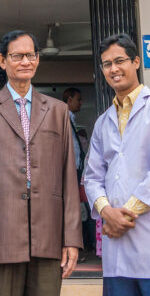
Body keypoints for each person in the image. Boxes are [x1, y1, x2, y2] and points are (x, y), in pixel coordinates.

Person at [0, 30, 82, 296]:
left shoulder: (57, 110)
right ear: (2, 60)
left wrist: (71, 238)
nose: (25, 61)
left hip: (49, 232)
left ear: (38, 59)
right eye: (17, 56)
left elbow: (68, 178)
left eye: (31, 55)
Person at [84, 33, 150, 296]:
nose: (114, 69)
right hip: (116, 259)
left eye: (120, 61)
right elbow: (92, 177)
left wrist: (122, 216)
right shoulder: (103, 122)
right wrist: (107, 213)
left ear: (136, 62)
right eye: (107, 64)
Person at [63, 87, 95, 256]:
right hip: (71, 170)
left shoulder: (71, 119)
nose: (80, 103)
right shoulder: (62, 118)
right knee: (75, 208)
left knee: (81, 207)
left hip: (77, 169)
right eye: (78, 99)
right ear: (69, 100)